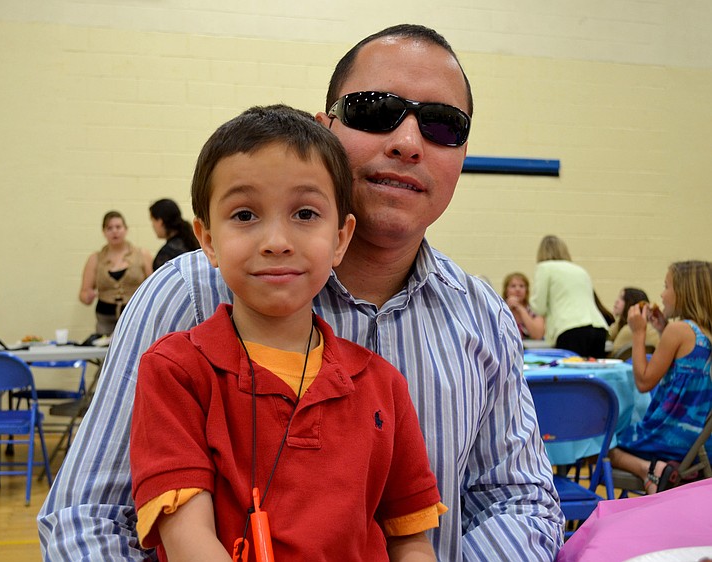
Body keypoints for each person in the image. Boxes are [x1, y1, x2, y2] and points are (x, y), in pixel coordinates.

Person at [39, 24, 564, 561]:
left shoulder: (483, 319)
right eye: (374, 109)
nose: (408, 143)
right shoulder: (183, 297)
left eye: (442, 124)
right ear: (325, 129)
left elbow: (518, 501)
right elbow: (88, 519)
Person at [131, 106, 445, 561]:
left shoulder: (383, 386)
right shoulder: (176, 372)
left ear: (340, 239)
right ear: (208, 240)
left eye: (304, 213)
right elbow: (188, 539)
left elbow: (410, 541)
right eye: (244, 214)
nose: (276, 240)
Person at [609, 261, 712, 494]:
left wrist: (638, 333)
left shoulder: (680, 330)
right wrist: (663, 329)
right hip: (701, 445)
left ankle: (651, 469)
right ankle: (663, 468)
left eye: (666, 287)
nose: (661, 294)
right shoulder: (702, 333)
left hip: (671, 438)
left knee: (600, 443)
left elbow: (644, 382)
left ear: (684, 293)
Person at [529, 235, 610, 357]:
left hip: (570, 329)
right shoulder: (580, 270)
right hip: (598, 327)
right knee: (593, 371)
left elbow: (539, 307)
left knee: (572, 373)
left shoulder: (544, 267)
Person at [79, 211, 154, 336]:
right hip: (105, 319)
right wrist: (87, 296)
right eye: (109, 228)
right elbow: (83, 293)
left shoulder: (142, 255)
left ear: (126, 229)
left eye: (118, 227)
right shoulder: (95, 258)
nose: (114, 231)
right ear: (104, 232)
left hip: (135, 316)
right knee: (105, 352)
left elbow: (154, 287)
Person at [149, 198, 200, 271]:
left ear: (160, 221)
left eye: (153, 221)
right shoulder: (192, 241)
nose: (153, 225)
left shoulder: (166, 253)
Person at [608, 287, 660, 353]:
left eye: (622, 298)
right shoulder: (652, 325)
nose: (616, 301)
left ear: (631, 303)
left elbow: (612, 355)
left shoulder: (628, 329)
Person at [502, 272, 545, 339]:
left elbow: (537, 336)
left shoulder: (534, 309)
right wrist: (506, 310)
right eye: (513, 286)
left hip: (531, 348)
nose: (518, 289)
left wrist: (521, 309)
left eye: (521, 286)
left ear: (526, 291)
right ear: (506, 291)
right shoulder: (499, 309)